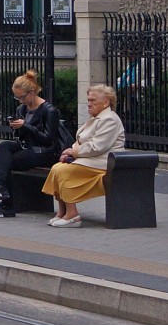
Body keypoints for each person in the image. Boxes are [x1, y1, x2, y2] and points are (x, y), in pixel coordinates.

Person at [41, 84, 126, 228]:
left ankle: (73, 215)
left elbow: (98, 146)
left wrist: (73, 152)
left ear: (106, 102)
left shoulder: (109, 119)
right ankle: (62, 211)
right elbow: (80, 141)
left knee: (63, 171)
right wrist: (69, 152)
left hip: (104, 164)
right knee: (57, 168)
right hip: (91, 160)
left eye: (93, 100)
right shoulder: (96, 118)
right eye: (88, 100)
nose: (89, 104)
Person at [0, 70, 62, 218]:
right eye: (17, 97)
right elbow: (21, 138)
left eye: (22, 97)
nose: (20, 101)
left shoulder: (49, 110)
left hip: (45, 151)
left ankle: (6, 205)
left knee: (8, 162)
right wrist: (16, 127)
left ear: (32, 92)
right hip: (28, 147)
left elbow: (48, 139)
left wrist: (26, 126)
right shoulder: (21, 109)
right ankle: (0, 187)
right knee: (4, 146)